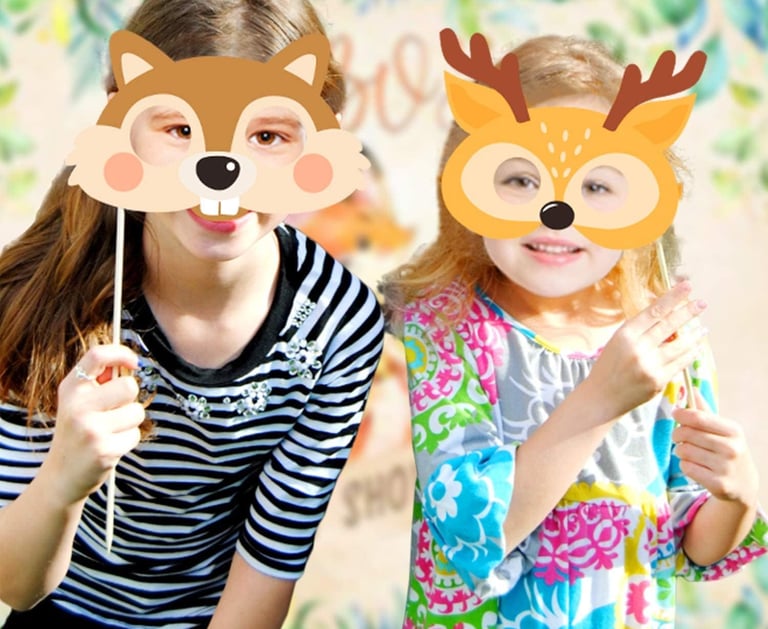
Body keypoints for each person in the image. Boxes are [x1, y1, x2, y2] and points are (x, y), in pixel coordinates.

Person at [0, 1, 383, 627]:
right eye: (180, 130)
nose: (222, 171)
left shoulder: (340, 322)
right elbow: (18, 586)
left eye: (267, 136)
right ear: (123, 125)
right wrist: (64, 475)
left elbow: (272, 557)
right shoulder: (39, 292)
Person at [380, 34, 766, 628]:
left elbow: (692, 542)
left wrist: (735, 494)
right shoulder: (444, 325)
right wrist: (602, 398)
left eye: (596, 185)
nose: (556, 211)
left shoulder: (663, 334)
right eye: (521, 179)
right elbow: (470, 533)